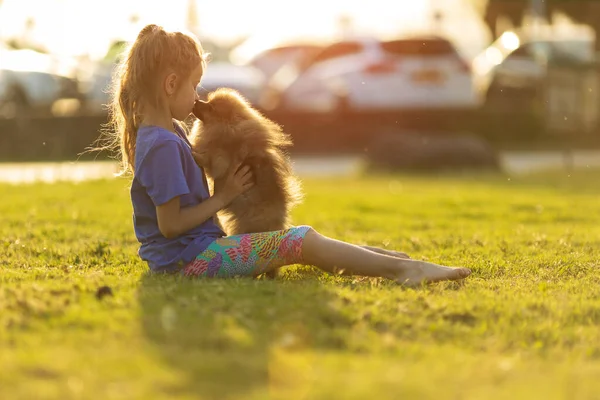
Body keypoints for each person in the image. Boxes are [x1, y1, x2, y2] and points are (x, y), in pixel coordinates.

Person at [106, 24, 471, 286]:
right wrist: (225, 197)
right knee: (298, 240)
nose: (197, 95)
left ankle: (386, 260)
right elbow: (170, 225)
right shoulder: (164, 144)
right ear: (171, 84)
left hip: (195, 254)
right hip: (189, 263)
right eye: (193, 85)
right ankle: (404, 270)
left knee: (299, 241)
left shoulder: (168, 135)